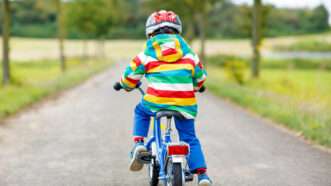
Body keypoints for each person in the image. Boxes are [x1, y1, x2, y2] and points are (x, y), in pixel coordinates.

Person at [119, 10, 212, 185]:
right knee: (189, 138)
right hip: (185, 104)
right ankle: (203, 176)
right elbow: (200, 77)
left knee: (141, 111)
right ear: (177, 32)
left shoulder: (146, 53)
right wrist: (196, 86)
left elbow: (130, 76)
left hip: (156, 101)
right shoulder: (189, 53)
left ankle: (139, 143)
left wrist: (126, 85)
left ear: (150, 33)